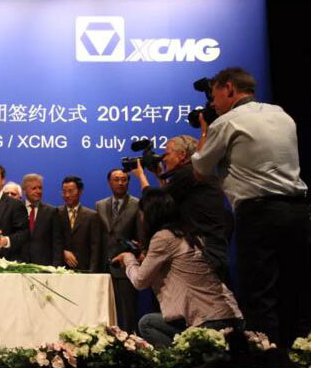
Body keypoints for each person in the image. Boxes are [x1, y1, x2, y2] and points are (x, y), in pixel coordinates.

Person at [191, 67, 310, 346]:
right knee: (295, 292)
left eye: (214, 96)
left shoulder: (226, 122)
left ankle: (267, 359)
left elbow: (200, 170)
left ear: (229, 88)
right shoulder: (282, 114)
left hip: (258, 216)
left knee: (259, 296)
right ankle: (300, 355)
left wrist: (206, 130)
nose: (212, 104)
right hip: (298, 212)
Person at [112, 188, 243, 348]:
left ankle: (183, 357)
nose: (141, 218)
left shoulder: (162, 237)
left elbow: (140, 281)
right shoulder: (187, 234)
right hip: (229, 314)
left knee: (147, 324)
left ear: (150, 215)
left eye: (142, 214)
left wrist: (128, 258)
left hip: (208, 320)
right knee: (149, 322)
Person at [131, 135, 231, 282]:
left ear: (182, 155)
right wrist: (159, 175)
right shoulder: (195, 173)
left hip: (205, 254)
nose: (164, 159)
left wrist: (141, 176)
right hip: (210, 249)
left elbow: (155, 203)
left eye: (167, 154)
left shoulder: (188, 173)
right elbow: (169, 201)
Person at [95, 169, 144, 333]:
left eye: (124, 179)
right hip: (104, 267)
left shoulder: (136, 204)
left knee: (128, 312)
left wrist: (140, 253)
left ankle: (131, 343)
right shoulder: (100, 205)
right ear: (109, 182)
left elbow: (141, 235)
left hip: (125, 267)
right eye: (116, 179)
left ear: (128, 182)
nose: (120, 183)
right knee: (104, 312)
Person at [59, 176, 103, 272]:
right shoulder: (56, 213)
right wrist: (62, 251)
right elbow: (50, 241)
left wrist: (92, 272)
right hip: (60, 269)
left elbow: (95, 247)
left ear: (80, 192)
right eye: (64, 191)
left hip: (84, 269)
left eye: (70, 191)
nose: (67, 195)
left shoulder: (92, 216)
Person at [20, 174, 63, 266]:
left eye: (40, 188)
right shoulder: (17, 208)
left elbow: (57, 243)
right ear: (24, 191)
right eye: (34, 188)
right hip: (19, 264)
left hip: (44, 265)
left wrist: (56, 266)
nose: (38, 191)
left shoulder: (52, 211)